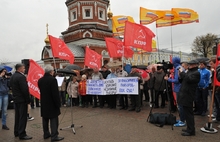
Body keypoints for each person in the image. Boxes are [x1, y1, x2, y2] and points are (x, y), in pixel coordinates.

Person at [38, 65, 64, 141]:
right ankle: (54, 135)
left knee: (45, 119)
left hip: (44, 102)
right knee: (54, 119)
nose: (53, 72)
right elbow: (55, 93)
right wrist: (58, 103)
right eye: (53, 71)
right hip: (52, 103)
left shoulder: (40, 80)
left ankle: (46, 134)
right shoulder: (53, 80)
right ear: (50, 72)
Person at [178, 60, 200, 136]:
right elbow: (183, 80)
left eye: (190, 64)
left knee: (189, 114)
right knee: (187, 113)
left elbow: (189, 79)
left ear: (195, 65)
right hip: (185, 94)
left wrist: (183, 73)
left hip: (189, 95)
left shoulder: (196, 73)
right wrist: (180, 75)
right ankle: (189, 128)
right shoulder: (189, 72)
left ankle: (191, 130)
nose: (189, 65)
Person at [10, 63, 32, 140]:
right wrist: (28, 100)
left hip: (16, 99)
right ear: (20, 69)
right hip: (22, 100)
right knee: (23, 117)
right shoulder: (21, 77)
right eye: (23, 68)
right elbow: (24, 89)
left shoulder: (13, 76)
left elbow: (10, 86)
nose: (24, 69)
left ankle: (16, 131)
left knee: (17, 116)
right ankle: (22, 134)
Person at [164, 57, 185, 127]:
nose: (171, 63)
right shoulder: (180, 67)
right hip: (180, 88)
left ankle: (182, 121)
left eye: (172, 62)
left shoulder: (177, 69)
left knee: (180, 105)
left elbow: (176, 80)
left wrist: (168, 79)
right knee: (180, 105)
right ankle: (182, 119)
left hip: (179, 89)